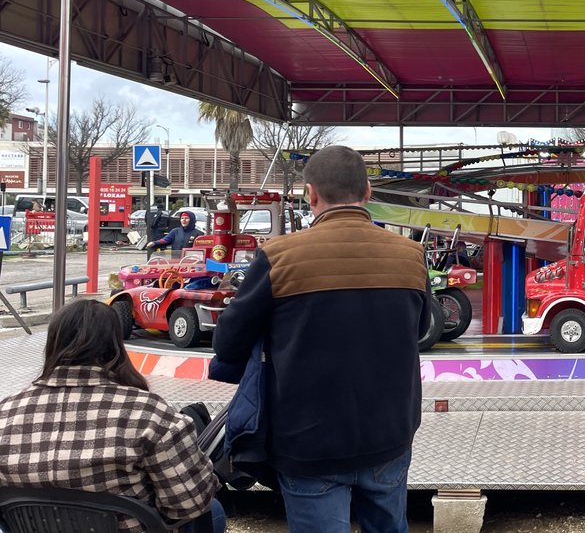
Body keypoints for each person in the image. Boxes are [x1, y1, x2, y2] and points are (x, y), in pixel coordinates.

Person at [209, 145, 432, 533]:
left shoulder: (278, 256)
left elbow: (228, 341)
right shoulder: (411, 255)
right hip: (389, 435)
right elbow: (419, 329)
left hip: (307, 443)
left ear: (311, 194)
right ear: (367, 192)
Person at [0, 299, 222, 532]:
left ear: (52, 344)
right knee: (213, 509)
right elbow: (191, 503)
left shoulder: (5, 414)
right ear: (116, 346)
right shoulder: (150, 413)